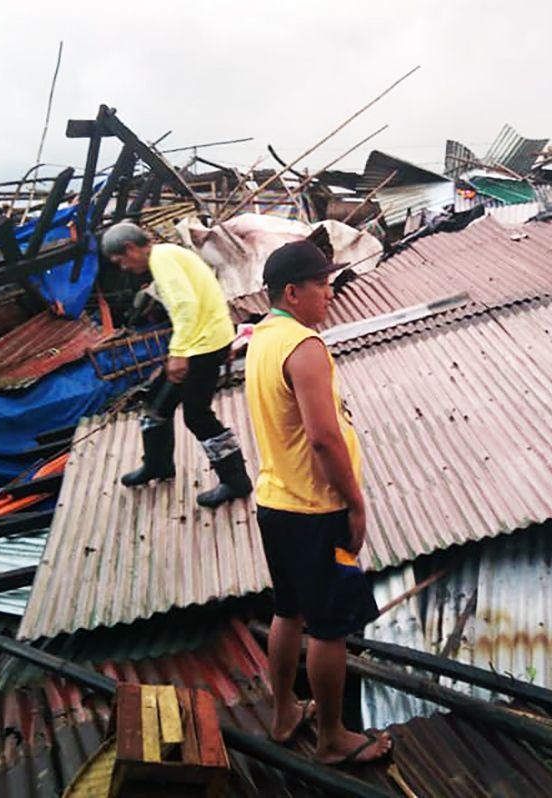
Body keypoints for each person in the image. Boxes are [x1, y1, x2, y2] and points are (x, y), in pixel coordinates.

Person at [246, 238, 392, 766]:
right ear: (293, 291)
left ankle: (285, 712)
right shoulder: (305, 347)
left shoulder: (262, 337)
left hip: (276, 503)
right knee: (330, 629)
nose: (329, 293)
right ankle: (333, 738)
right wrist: (355, 504)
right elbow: (324, 439)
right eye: (322, 284)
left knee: (289, 610)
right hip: (315, 509)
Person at [101, 222, 252, 509]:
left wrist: (179, 353)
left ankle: (235, 480)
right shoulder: (167, 255)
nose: (123, 267)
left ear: (131, 248)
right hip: (207, 339)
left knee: (197, 416)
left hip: (202, 345)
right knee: (157, 402)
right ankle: (157, 465)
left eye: (121, 260)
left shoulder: (163, 260)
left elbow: (186, 306)